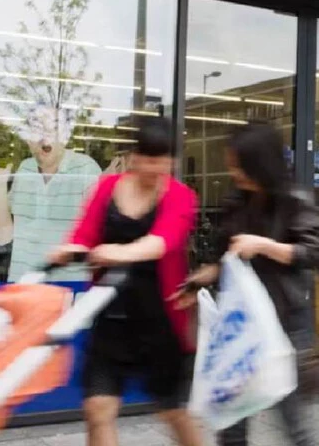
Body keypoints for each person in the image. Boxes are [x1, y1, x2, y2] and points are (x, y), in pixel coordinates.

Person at [48, 116, 203, 446]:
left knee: (172, 411)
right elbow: (84, 235)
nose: (154, 167)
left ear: (172, 161)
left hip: (160, 323)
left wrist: (117, 253)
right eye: (148, 159)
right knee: (98, 409)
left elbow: (163, 241)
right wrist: (68, 250)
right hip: (110, 319)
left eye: (162, 160)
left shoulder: (181, 196)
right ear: (134, 157)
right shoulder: (107, 188)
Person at [176, 121, 319, 446]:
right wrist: (202, 279)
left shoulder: (294, 200)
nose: (234, 172)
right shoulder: (237, 202)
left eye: (239, 165)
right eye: (231, 164)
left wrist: (262, 245)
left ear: (261, 163)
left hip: (285, 326)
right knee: (231, 423)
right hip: (242, 327)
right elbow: (226, 259)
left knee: (295, 425)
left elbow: (312, 252)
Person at [0, 106, 107, 282]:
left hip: (70, 285)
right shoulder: (25, 169)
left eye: (52, 128)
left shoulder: (86, 169)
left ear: (64, 137)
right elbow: (3, 237)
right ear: (28, 140)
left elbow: (99, 235)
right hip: (23, 282)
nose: (44, 136)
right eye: (36, 129)